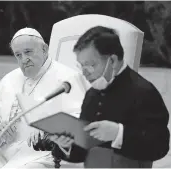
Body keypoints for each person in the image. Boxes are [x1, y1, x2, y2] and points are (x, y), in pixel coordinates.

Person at [0, 27, 86, 168]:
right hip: (2, 159)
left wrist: (49, 131)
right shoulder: (11, 79)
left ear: (44, 49)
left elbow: (80, 120)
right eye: (18, 55)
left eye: (28, 52)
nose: (24, 59)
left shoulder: (68, 79)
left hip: (45, 158)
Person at [49, 26, 170, 168]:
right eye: (81, 66)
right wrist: (66, 145)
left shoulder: (143, 91)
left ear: (112, 60)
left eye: (90, 65)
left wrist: (118, 134)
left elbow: (159, 146)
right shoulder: (92, 94)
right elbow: (81, 153)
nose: (85, 73)